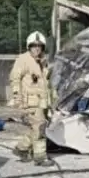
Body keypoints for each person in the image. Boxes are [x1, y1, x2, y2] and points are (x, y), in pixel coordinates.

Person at [10, 31, 54, 167]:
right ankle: (40, 157)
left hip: (42, 101)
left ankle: (22, 148)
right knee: (39, 128)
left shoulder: (42, 62)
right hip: (30, 101)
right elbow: (14, 79)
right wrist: (17, 98)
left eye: (39, 46)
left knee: (35, 128)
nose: (37, 48)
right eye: (34, 46)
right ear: (29, 47)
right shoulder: (23, 60)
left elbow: (46, 83)